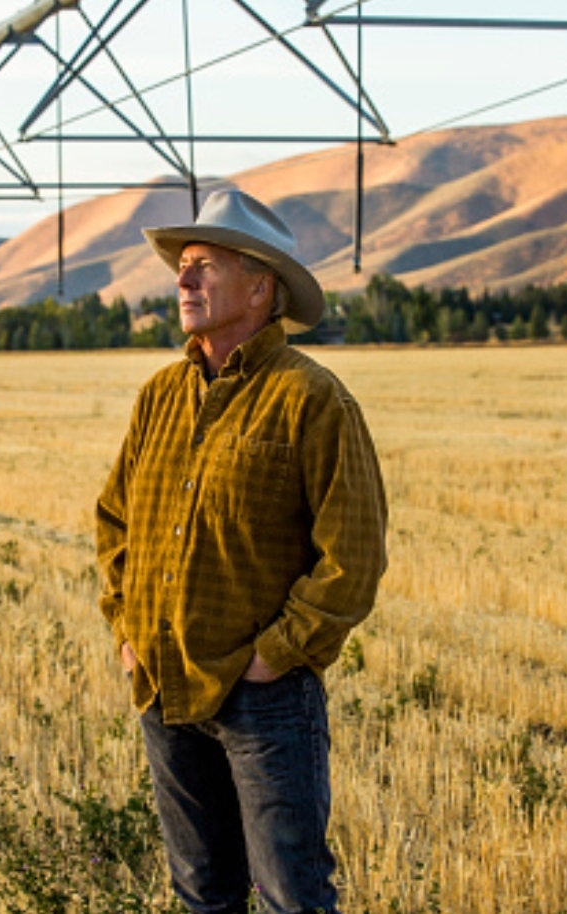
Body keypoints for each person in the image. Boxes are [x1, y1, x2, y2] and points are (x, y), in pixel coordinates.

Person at [95, 188, 389, 914]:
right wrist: (129, 630)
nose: (183, 280)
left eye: (204, 266)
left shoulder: (311, 399)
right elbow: (114, 522)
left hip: (264, 700)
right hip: (164, 687)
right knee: (203, 894)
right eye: (182, 266)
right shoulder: (159, 395)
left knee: (293, 897)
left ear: (261, 289)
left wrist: (274, 656)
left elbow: (352, 559)